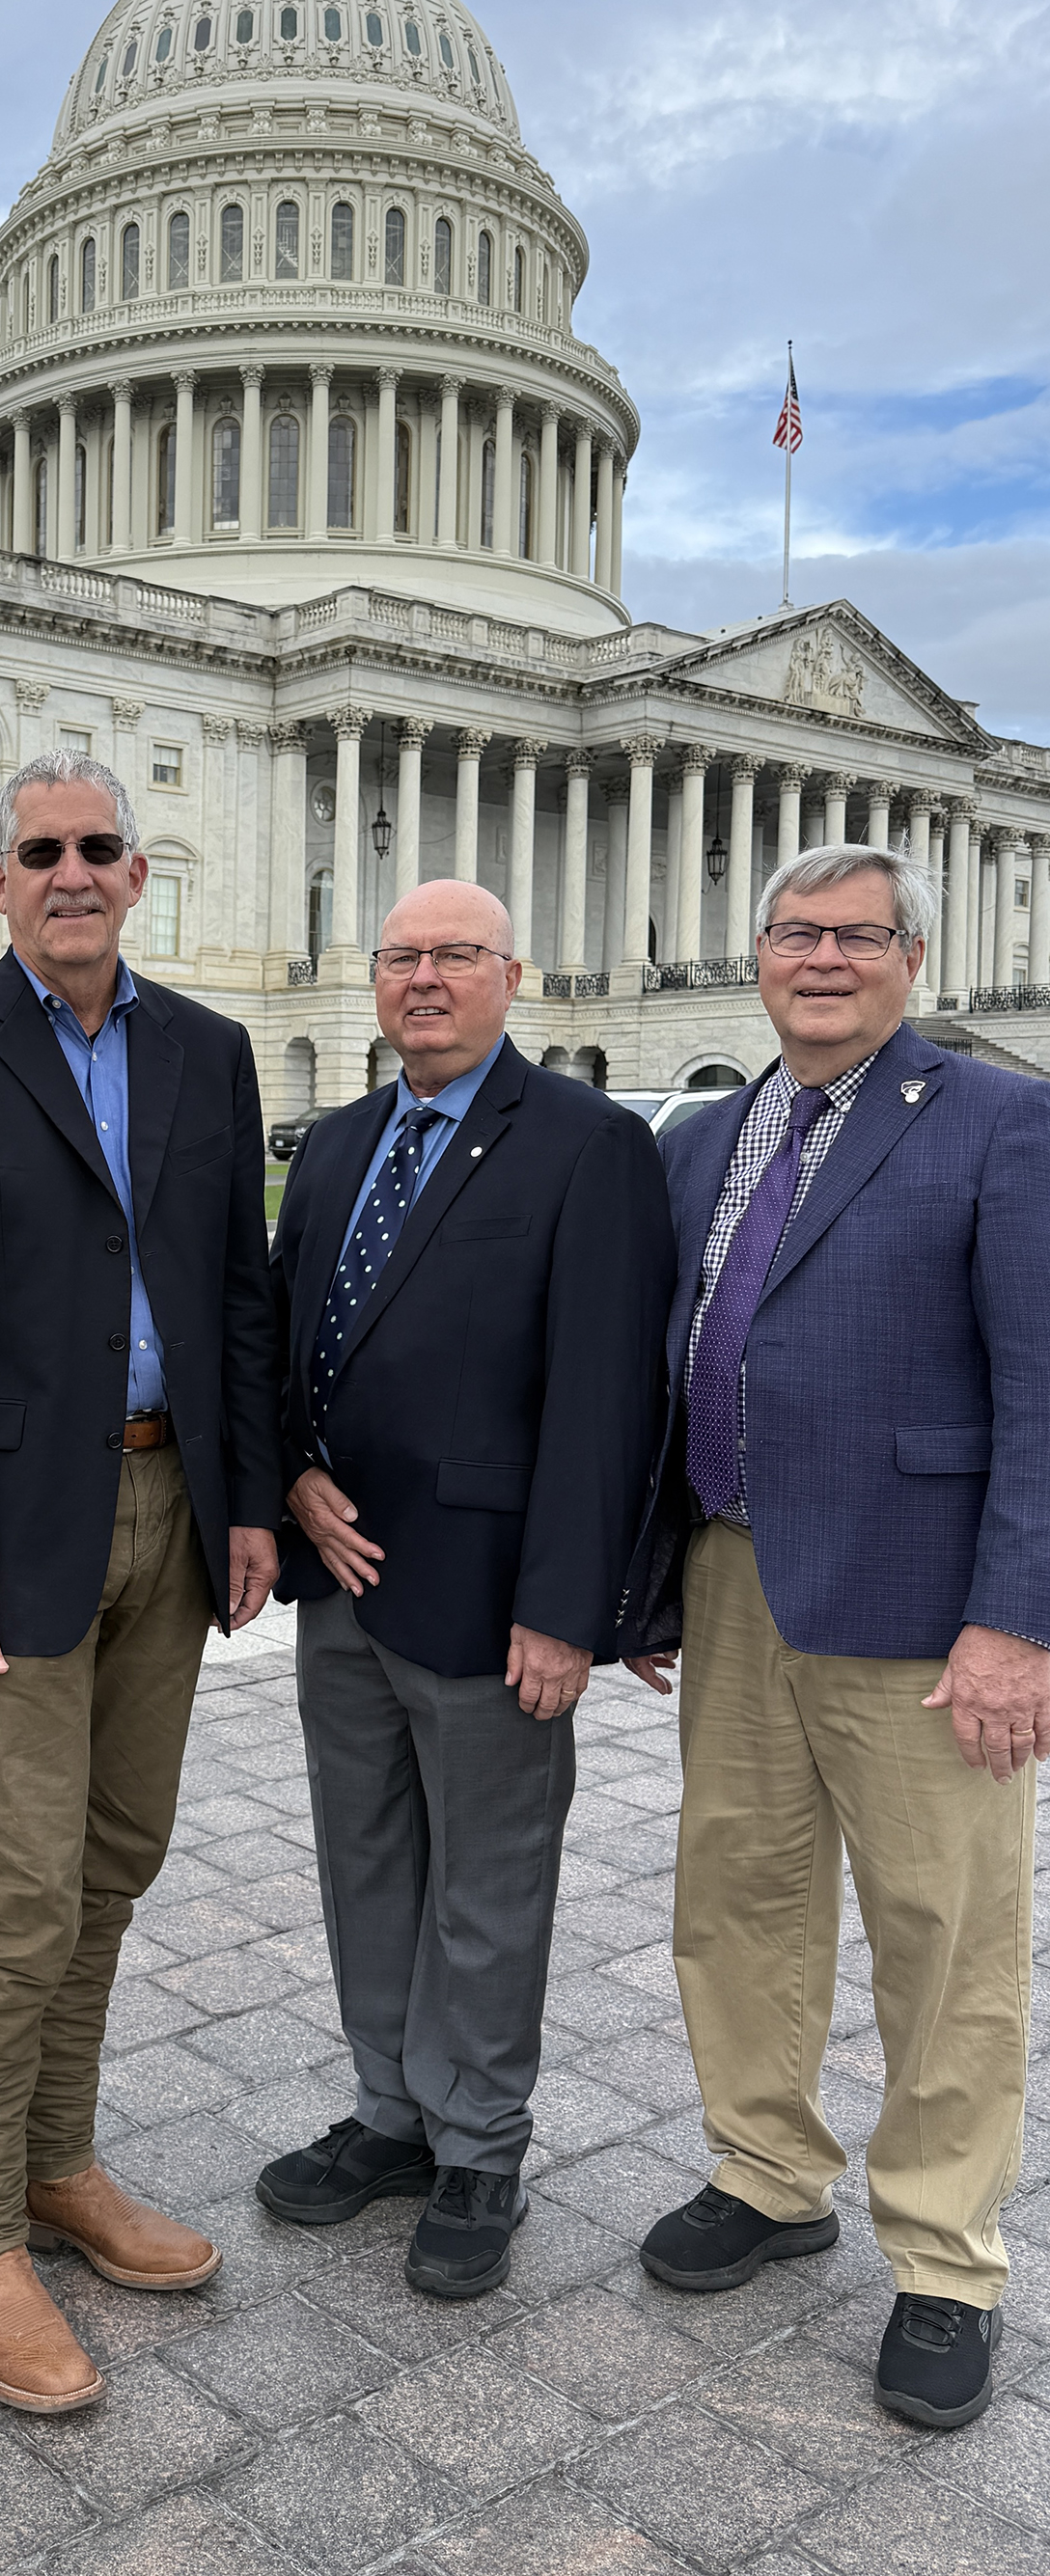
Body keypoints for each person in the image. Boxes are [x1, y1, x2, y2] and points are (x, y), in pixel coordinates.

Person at [0, 749, 282, 2415]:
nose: (74, 870)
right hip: (18, 1529)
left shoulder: (208, 1049)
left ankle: (58, 2162)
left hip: (175, 1505)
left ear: (139, 871)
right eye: (44, 850)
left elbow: (232, 1286)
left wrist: (240, 1501)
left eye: (102, 845)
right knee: (25, 1880)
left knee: (117, 1853)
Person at [621, 844, 1050, 2430]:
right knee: (739, 1892)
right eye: (794, 933)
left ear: (910, 959)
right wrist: (650, 1575)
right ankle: (769, 2165)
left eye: (853, 936)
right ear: (757, 954)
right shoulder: (714, 1133)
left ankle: (945, 2258)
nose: (819, 958)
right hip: (736, 1577)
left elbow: (1043, 1391)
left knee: (945, 1934)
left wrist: (1018, 1618)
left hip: (925, 1605)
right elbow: (679, 1364)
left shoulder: (1002, 1122)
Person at [256, 880, 674, 2299]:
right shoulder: (336, 1144)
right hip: (343, 1582)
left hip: (497, 1597)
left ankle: (481, 2141)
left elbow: (606, 1395)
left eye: (454, 956)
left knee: (487, 1884)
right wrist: (292, 1473)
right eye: (402, 956)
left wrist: (572, 1608)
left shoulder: (588, 1146)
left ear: (515, 976)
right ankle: (393, 2113)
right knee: (365, 1862)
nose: (423, 978)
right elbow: (280, 1335)